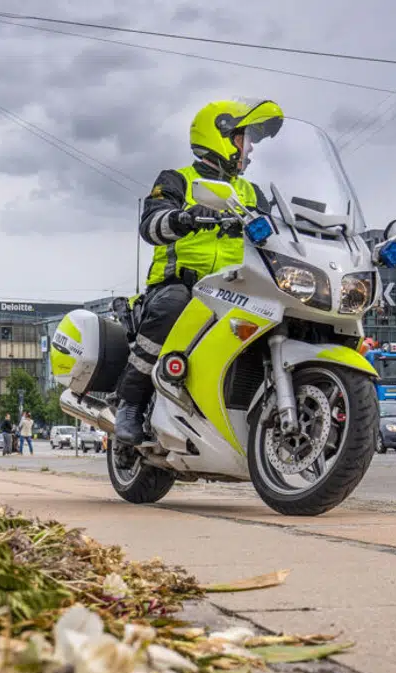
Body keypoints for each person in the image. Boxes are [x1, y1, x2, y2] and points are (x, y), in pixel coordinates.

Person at [113, 98, 284, 445]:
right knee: (171, 307)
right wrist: (181, 218)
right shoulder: (177, 180)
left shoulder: (252, 192)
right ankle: (130, 403)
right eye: (245, 138)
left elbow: (278, 235)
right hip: (183, 284)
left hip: (238, 288)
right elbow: (150, 226)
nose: (249, 148)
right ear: (220, 135)